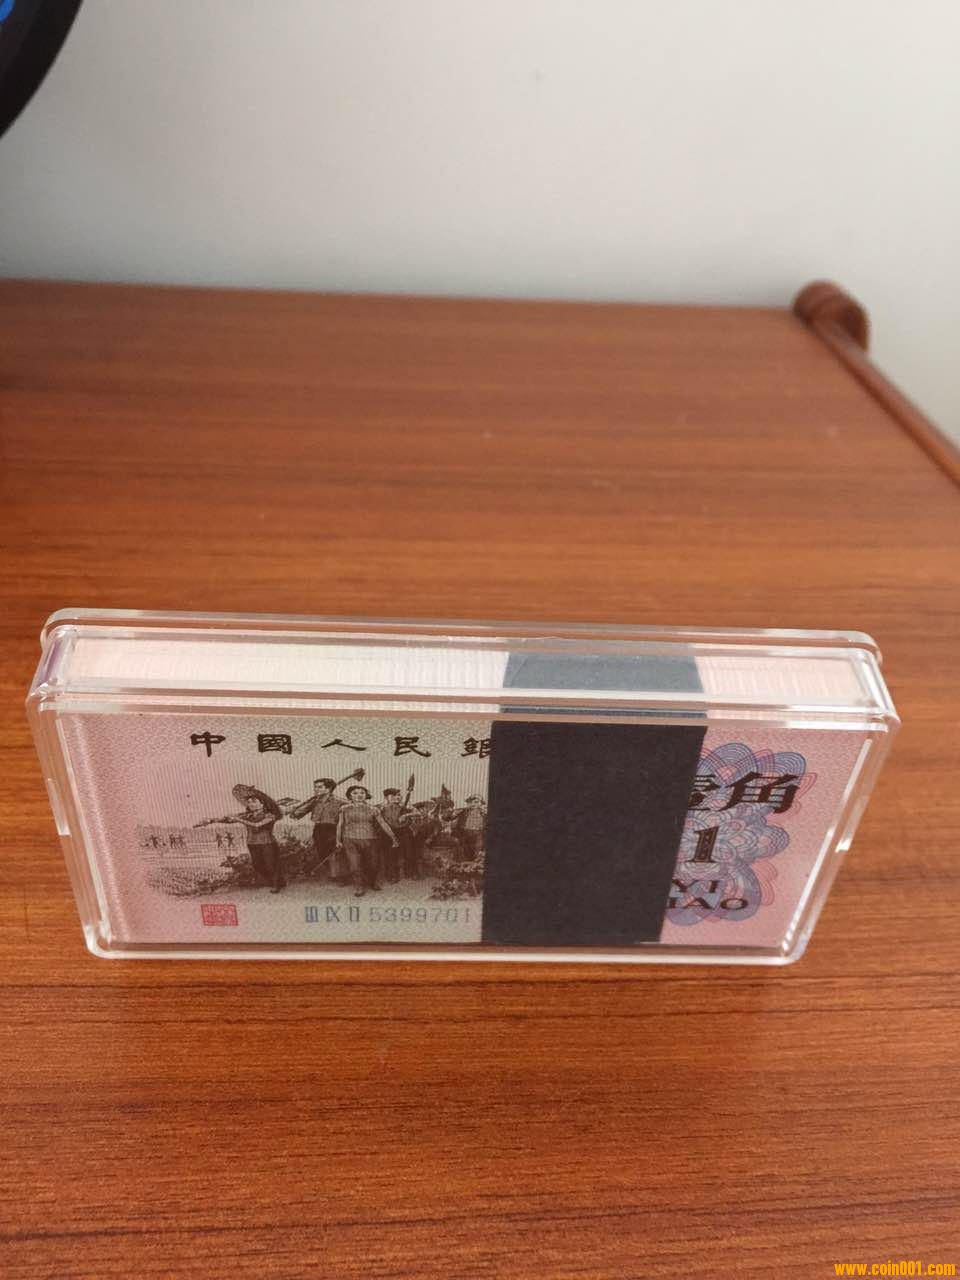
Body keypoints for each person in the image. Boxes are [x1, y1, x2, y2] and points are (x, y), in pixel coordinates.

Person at [335, 785, 398, 897]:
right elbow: (340, 825)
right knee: (354, 865)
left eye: (362, 793)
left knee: (373, 864)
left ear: (366, 795)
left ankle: (372, 882)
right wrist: (338, 840)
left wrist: (393, 838)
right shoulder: (344, 809)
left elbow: (383, 824)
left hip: (371, 840)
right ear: (349, 795)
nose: (359, 795)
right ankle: (359, 886)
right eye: (355, 793)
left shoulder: (374, 809)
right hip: (350, 840)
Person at [220, 785, 285, 893]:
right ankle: (278, 881)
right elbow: (229, 820)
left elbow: (257, 825)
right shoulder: (248, 815)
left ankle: (276, 884)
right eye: (249, 802)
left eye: (254, 802)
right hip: (252, 843)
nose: (250, 804)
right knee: (257, 865)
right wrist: (212, 820)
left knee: (271, 864)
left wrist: (239, 819)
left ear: (262, 804)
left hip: (267, 843)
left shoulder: (270, 815)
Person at [289, 778, 348, 881]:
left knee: (333, 852)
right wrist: (294, 810)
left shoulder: (340, 801)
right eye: (315, 787)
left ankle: (337, 876)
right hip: (318, 829)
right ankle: (332, 873)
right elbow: (297, 815)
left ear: (328, 789)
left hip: (333, 829)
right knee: (322, 852)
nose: (316, 789)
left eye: (320, 787)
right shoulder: (315, 801)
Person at [377, 788, 411, 883]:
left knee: (402, 853)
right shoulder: (381, 807)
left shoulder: (402, 807)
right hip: (386, 833)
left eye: (398, 795)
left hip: (400, 832)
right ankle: (390, 875)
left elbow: (417, 813)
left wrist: (406, 815)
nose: (397, 797)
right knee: (389, 855)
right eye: (393, 796)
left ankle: (403, 874)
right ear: (386, 797)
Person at [402, 800, 441, 878]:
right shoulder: (412, 820)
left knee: (418, 855)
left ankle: (417, 872)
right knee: (409, 854)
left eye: (425, 809)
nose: (423, 811)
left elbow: (436, 830)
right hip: (411, 841)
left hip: (423, 841)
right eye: (421, 809)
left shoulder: (431, 820)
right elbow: (410, 830)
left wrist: (430, 838)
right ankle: (409, 872)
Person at [451, 795, 486, 860]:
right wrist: (452, 813)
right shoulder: (462, 811)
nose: (473, 804)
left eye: (476, 802)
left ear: (481, 804)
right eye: (470, 802)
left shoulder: (484, 813)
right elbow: (448, 817)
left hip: (478, 834)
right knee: (466, 852)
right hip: (465, 833)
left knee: (477, 852)